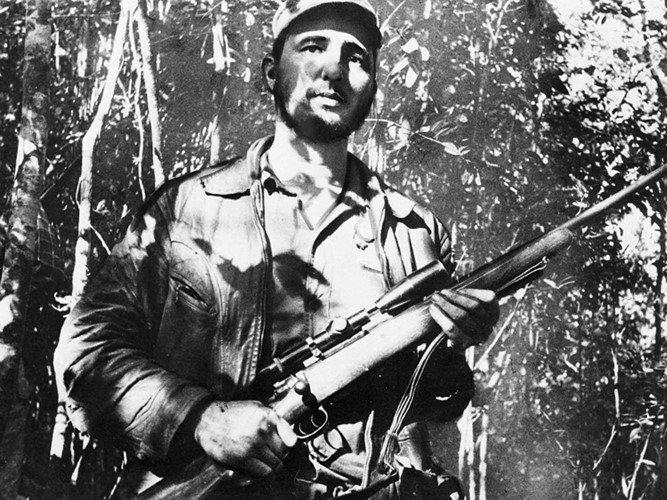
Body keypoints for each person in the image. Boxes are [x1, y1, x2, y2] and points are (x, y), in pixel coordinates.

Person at [55, 1, 500, 498]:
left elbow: (436, 405)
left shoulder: (414, 233)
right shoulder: (184, 209)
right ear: (271, 71)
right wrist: (200, 419)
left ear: (373, 86)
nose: (334, 69)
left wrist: (451, 345)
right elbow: (87, 350)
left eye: (356, 57)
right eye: (313, 46)